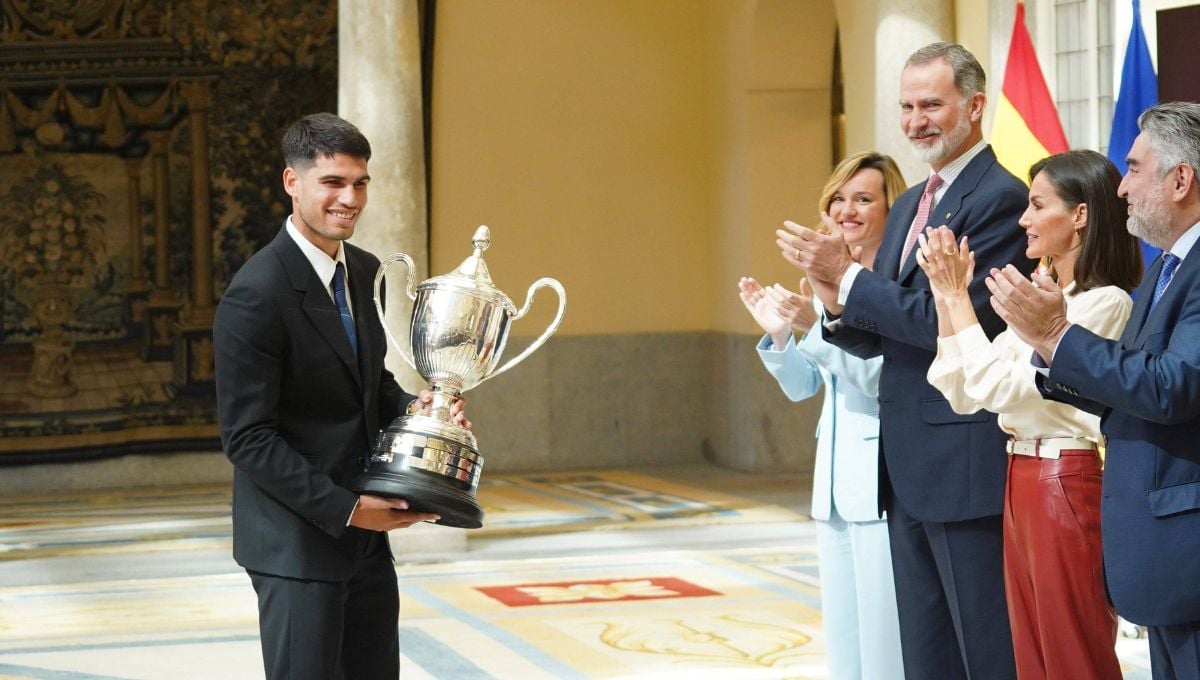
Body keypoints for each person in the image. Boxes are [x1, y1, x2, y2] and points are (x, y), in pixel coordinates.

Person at [777, 42, 1034, 680]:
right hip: (906, 466)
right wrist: (833, 296)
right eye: (907, 106)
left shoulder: (998, 196)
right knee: (925, 650)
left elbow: (951, 326)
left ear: (974, 107)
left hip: (961, 461)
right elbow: (884, 331)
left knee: (981, 647)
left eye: (931, 105)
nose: (916, 120)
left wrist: (851, 281)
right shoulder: (917, 198)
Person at [214, 112, 465, 680]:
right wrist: (350, 509)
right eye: (332, 182)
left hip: (367, 545)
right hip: (296, 547)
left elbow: (370, 385)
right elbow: (249, 440)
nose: (349, 198)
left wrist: (419, 412)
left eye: (360, 182)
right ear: (292, 183)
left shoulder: (365, 272)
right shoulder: (256, 294)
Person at [986, 101, 1200, 680]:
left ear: (1181, 179)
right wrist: (1054, 352)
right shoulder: (1167, 269)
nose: (1122, 187)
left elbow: (1174, 387)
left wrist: (1056, 336)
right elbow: (1129, 388)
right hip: (1152, 535)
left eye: (1133, 168)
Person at [917, 150, 1142, 680]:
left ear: (1080, 216)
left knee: (1071, 651)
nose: (1023, 218)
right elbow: (961, 389)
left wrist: (959, 300)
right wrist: (946, 299)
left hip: (1066, 477)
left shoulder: (1104, 303)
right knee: (1032, 654)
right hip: (1022, 474)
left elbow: (998, 386)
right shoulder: (1048, 296)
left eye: (1038, 205)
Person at [739, 151, 907, 680]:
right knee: (845, 644)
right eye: (839, 197)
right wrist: (784, 336)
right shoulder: (819, 280)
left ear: (890, 206)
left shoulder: (895, 283)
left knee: (885, 644)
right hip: (832, 487)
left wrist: (816, 328)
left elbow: (881, 380)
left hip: (882, 483)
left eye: (863, 198)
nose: (847, 209)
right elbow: (802, 387)